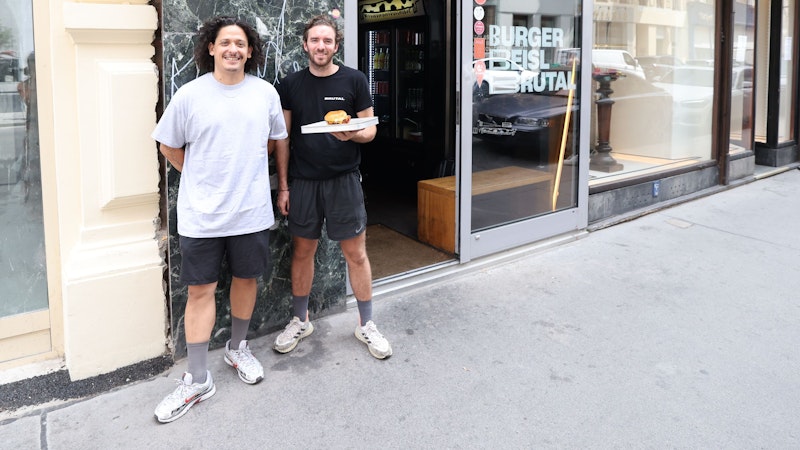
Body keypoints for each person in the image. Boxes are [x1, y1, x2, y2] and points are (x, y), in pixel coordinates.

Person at [151, 16, 288, 423]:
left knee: (247, 279)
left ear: (250, 51)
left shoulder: (264, 93)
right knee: (200, 291)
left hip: (250, 212)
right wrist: (200, 175)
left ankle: (237, 348)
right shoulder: (190, 95)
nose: (233, 49)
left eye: (240, 43)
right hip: (202, 215)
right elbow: (168, 145)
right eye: (225, 42)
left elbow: (273, 140)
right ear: (210, 48)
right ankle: (197, 379)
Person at [273, 15, 392, 360]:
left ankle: (366, 324)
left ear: (336, 45)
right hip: (304, 182)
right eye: (315, 40)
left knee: (356, 253)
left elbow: (370, 129)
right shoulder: (291, 84)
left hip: (344, 180)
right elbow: (283, 139)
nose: (321, 46)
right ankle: (301, 320)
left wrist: (352, 134)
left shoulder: (354, 79)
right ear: (305, 44)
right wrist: (284, 187)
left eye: (327, 40)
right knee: (302, 252)